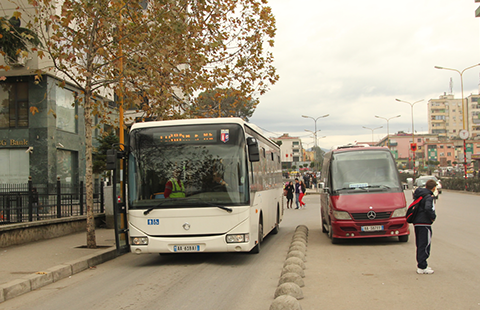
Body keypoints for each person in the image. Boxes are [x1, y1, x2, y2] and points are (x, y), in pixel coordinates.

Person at [412, 178, 437, 274]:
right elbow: (428, 208)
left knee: (420, 244)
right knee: (425, 244)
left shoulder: (420, 195)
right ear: (434, 188)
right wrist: (432, 217)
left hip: (417, 223)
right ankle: (422, 266)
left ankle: (421, 265)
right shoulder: (428, 197)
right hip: (424, 223)